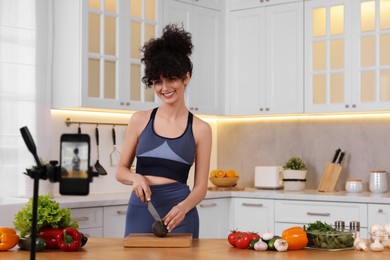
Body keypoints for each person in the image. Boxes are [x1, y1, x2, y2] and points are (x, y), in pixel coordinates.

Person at [115, 24, 212, 238]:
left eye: (171, 79)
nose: (165, 88)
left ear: (186, 77)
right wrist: (136, 178)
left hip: (180, 212)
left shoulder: (201, 129)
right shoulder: (140, 120)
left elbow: (201, 187)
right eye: (158, 82)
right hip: (141, 208)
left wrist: (184, 208)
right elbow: (120, 170)